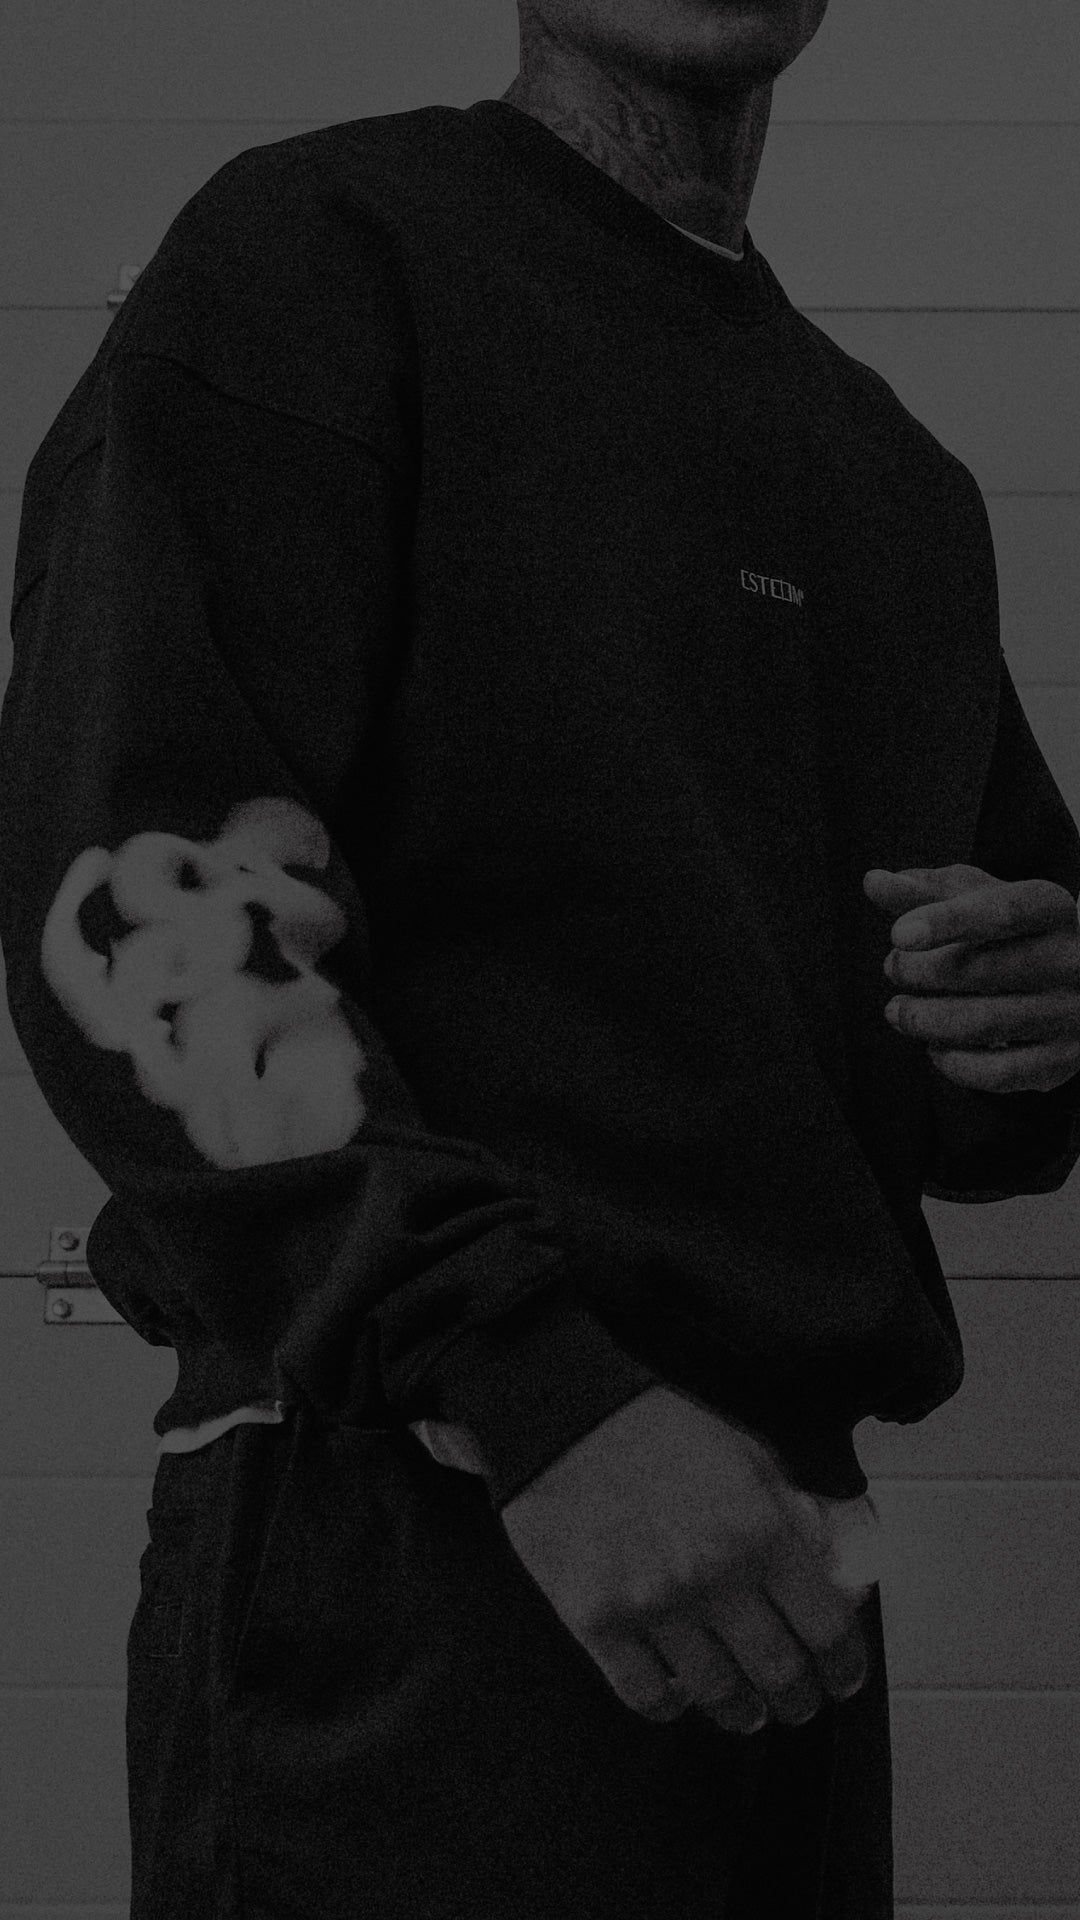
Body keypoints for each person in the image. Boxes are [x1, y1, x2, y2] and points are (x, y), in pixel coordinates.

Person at [3, 2, 1080, 1914]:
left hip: (785, 1568)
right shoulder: (321, 256)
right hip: (426, 1518)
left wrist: (1039, 1020)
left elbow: (944, 1054)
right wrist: (537, 1394)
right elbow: (153, 908)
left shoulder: (891, 475)